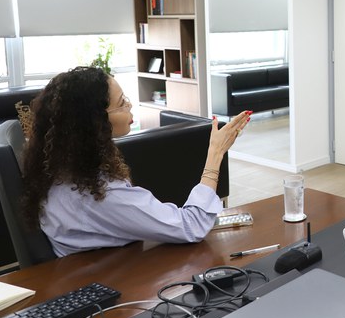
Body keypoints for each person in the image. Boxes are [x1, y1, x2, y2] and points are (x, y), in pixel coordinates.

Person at [21, 66, 252, 257]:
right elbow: (191, 226)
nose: (129, 106)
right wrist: (215, 152)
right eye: (121, 103)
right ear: (96, 121)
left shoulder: (58, 169)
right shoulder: (102, 195)